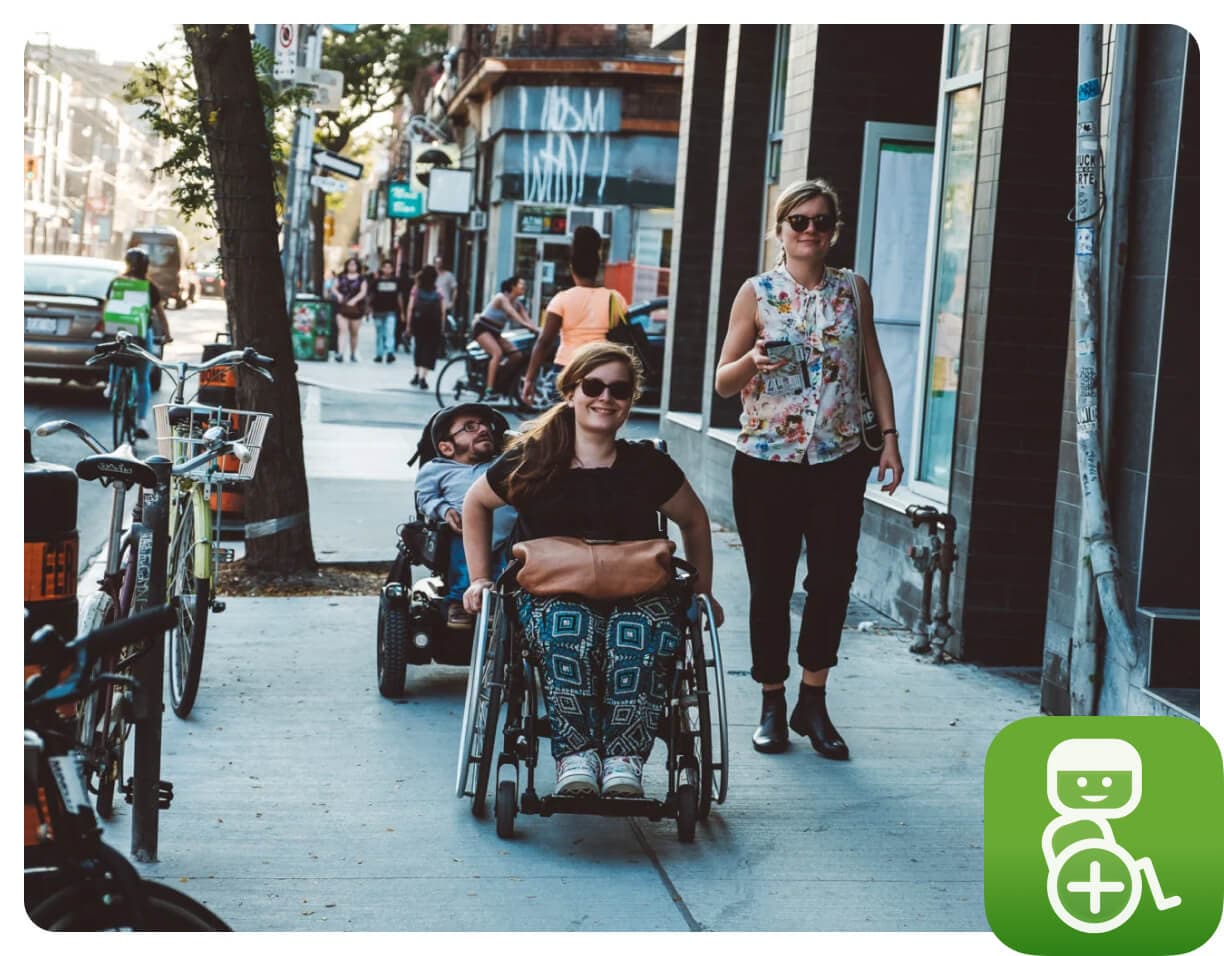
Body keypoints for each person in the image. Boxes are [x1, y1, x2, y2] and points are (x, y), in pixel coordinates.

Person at [462, 341, 724, 798]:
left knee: (637, 634)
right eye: (594, 385)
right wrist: (481, 578)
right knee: (569, 628)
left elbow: (694, 521)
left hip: (640, 591)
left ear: (629, 402)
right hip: (551, 591)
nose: (606, 397)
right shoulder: (533, 460)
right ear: (571, 392)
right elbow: (476, 503)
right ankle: (576, 756)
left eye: (619, 390)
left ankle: (624, 759)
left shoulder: (648, 466)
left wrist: (704, 590)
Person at [714, 178, 904, 761]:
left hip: (838, 459)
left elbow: (872, 365)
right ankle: (772, 700)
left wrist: (890, 440)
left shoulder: (853, 290)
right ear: (781, 229)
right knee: (770, 585)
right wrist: (752, 359)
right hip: (766, 461)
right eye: (799, 220)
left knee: (830, 580)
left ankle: (813, 700)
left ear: (834, 230)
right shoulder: (757, 292)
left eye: (822, 221)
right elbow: (723, 383)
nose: (810, 230)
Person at [415, 404, 518, 629]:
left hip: (509, 534)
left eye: (484, 424)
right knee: (463, 564)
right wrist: (443, 510)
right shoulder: (437, 469)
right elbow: (425, 498)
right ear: (447, 447)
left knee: (507, 567)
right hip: (463, 531)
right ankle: (460, 601)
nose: (482, 429)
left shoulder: (502, 465)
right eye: (469, 427)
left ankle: (499, 605)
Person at [520, 226, 627, 406]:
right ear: (597, 269)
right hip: (601, 371)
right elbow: (623, 342)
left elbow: (544, 342)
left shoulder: (562, 299)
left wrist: (529, 379)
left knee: (561, 427)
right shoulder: (615, 299)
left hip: (566, 369)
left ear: (572, 269)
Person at [104, 247, 173, 439]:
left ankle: (112, 385)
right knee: (142, 379)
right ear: (146, 266)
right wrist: (167, 334)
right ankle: (142, 422)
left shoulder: (117, 283)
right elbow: (160, 313)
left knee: (116, 353)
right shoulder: (149, 287)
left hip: (119, 331)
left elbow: (107, 306)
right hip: (142, 336)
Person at [471, 275, 538, 401]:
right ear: (513, 286)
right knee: (497, 353)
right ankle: (489, 390)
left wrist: (537, 329)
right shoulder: (501, 298)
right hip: (482, 329)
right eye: (521, 284)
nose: (524, 287)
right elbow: (514, 315)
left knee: (516, 355)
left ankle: (499, 380)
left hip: (495, 333)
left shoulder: (518, 304)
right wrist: (528, 326)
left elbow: (526, 318)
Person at [405, 264, 444, 390]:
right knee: (429, 349)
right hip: (434, 325)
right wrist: (442, 327)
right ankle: (423, 377)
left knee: (419, 347)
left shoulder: (416, 290)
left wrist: (408, 325)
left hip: (419, 323)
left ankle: (416, 374)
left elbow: (410, 308)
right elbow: (443, 311)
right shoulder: (438, 291)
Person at [330, 256, 368, 362]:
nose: (352, 266)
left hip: (357, 309)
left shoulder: (362, 279)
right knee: (342, 330)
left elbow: (363, 292)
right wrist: (338, 295)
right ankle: (340, 353)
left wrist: (355, 300)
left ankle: (352, 353)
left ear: (358, 266)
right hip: (342, 307)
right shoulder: (341, 277)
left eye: (354, 264)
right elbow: (333, 287)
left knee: (354, 333)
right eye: (350, 264)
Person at [368, 259, 401, 364]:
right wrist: (369, 309)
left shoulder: (396, 281)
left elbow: (399, 296)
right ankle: (379, 354)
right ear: (382, 268)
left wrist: (402, 311)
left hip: (391, 311)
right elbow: (371, 296)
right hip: (378, 311)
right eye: (385, 267)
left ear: (392, 269)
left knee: (390, 332)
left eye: (389, 267)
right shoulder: (376, 282)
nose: (387, 269)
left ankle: (390, 352)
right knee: (379, 333)